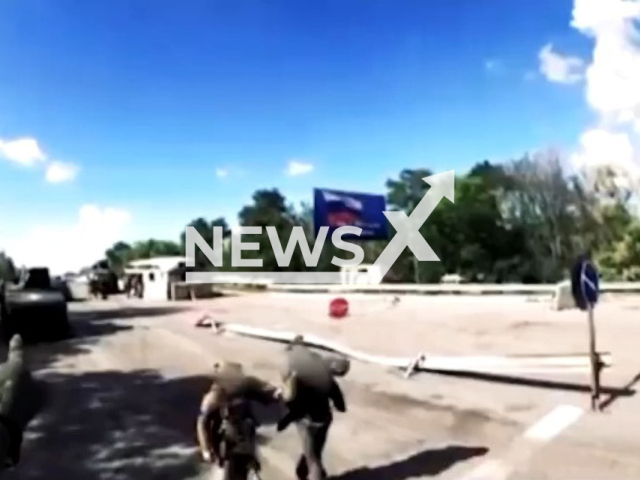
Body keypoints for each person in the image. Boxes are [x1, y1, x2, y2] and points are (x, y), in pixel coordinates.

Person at [196, 361, 282, 480]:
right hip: (227, 448)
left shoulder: (248, 385)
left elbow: (268, 393)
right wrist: (207, 449)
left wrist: (276, 393)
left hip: (245, 444)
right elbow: (203, 422)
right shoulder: (216, 395)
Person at [278, 336, 348, 480]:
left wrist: (285, 418)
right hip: (324, 420)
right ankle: (301, 472)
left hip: (307, 421)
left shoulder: (295, 371)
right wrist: (338, 406)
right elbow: (338, 398)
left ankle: (312, 474)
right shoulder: (321, 369)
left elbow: (290, 398)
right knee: (314, 451)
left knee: (313, 459)